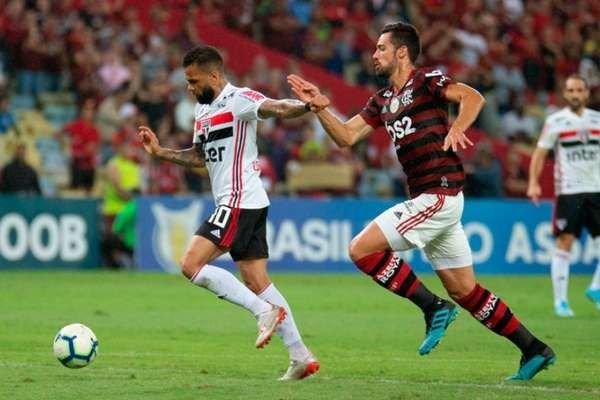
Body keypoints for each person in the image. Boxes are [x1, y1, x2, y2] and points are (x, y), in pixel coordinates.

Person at [288, 21, 554, 381]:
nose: (374, 54)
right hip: (434, 200)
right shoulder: (381, 100)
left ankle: (432, 307)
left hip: (438, 193)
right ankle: (534, 349)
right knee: (465, 290)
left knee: (360, 250)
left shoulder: (427, 80)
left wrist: (458, 126)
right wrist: (319, 108)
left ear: (402, 52)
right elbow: (347, 137)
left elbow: (473, 97)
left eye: (381, 48)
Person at [138, 45, 319, 381]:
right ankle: (300, 355)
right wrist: (161, 152)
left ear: (214, 75)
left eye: (194, 81)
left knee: (190, 264)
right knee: (256, 280)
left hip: (239, 199)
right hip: (245, 201)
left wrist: (308, 105)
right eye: (187, 81)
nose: (189, 87)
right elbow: (198, 157)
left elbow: (278, 107)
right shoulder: (202, 111)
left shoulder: (240, 99)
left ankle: (263, 312)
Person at [527, 75, 600, 317]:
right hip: (570, 191)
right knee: (565, 242)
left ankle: (596, 288)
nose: (575, 94)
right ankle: (561, 302)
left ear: (586, 93)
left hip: (597, 189)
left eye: (579, 90)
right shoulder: (556, 121)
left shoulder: (597, 120)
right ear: (566, 94)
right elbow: (540, 154)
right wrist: (533, 182)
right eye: (571, 90)